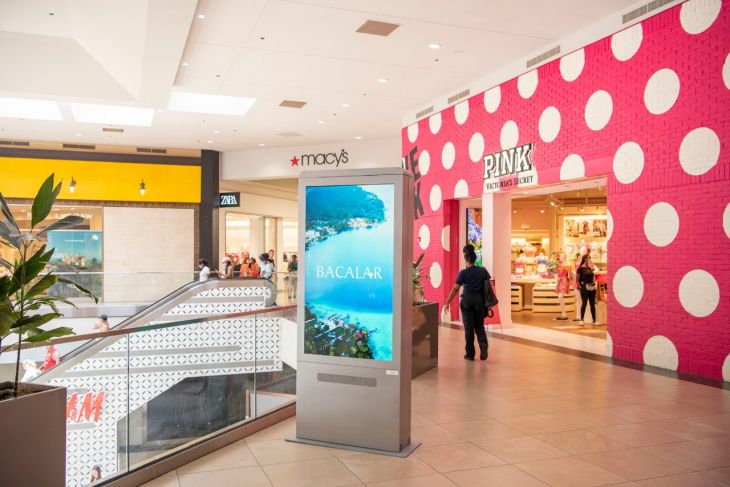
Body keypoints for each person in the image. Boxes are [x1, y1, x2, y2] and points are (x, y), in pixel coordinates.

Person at [444, 249, 490, 361]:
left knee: (469, 328)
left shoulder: (463, 273)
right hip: (479, 302)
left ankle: (470, 354)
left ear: (466, 260)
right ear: (475, 259)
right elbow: (488, 283)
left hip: (467, 302)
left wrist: (447, 302)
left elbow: (455, 288)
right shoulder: (482, 270)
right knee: (479, 326)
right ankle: (483, 345)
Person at [577, 254, 597, 326]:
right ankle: (581, 320)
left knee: (592, 304)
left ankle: (594, 320)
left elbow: (593, 276)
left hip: (591, 287)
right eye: (588, 258)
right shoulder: (580, 268)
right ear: (584, 259)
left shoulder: (590, 267)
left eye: (590, 258)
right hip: (584, 288)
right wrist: (580, 287)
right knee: (584, 303)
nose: (589, 259)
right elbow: (577, 279)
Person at [554, 254, 571, 320]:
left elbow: (569, 275)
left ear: (565, 257)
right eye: (560, 256)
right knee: (560, 297)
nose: (561, 257)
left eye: (562, 256)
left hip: (564, 281)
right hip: (559, 280)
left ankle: (564, 314)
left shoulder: (567, 265)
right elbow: (556, 272)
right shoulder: (559, 264)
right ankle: (563, 314)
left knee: (560, 296)